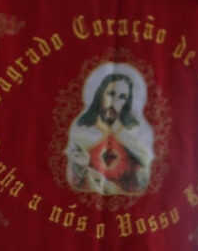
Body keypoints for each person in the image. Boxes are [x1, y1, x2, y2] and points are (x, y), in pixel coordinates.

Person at [65, 65, 154, 196]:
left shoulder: (134, 132)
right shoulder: (81, 129)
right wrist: (80, 166)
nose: (114, 102)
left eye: (122, 97)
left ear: (127, 103)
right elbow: (72, 178)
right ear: (100, 95)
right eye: (111, 94)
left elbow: (143, 177)